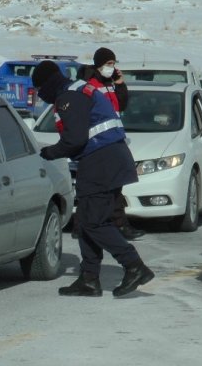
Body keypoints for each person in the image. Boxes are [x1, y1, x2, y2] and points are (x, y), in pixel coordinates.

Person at [33, 60, 154, 297]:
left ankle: (134, 266)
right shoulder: (78, 90)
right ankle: (89, 279)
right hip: (107, 159)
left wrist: (49, 153)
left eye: (39, 88)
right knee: (88, 221)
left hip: (101, 162)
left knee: (93, 222)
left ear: (47, 84)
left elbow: (75, 140)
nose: (40, 94)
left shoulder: (68, 98)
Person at [74, 48, 145, 241]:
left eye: (113, 64)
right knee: (95, 188)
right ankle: (85, 225)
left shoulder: (109, 83)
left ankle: (118, 224)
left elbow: (120, 105)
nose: (111, 67)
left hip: (113, 140)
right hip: (97, 142)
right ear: (99, 64)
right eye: (109, 64)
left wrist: (120, 84)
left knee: (114, 186)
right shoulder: (91, 85)